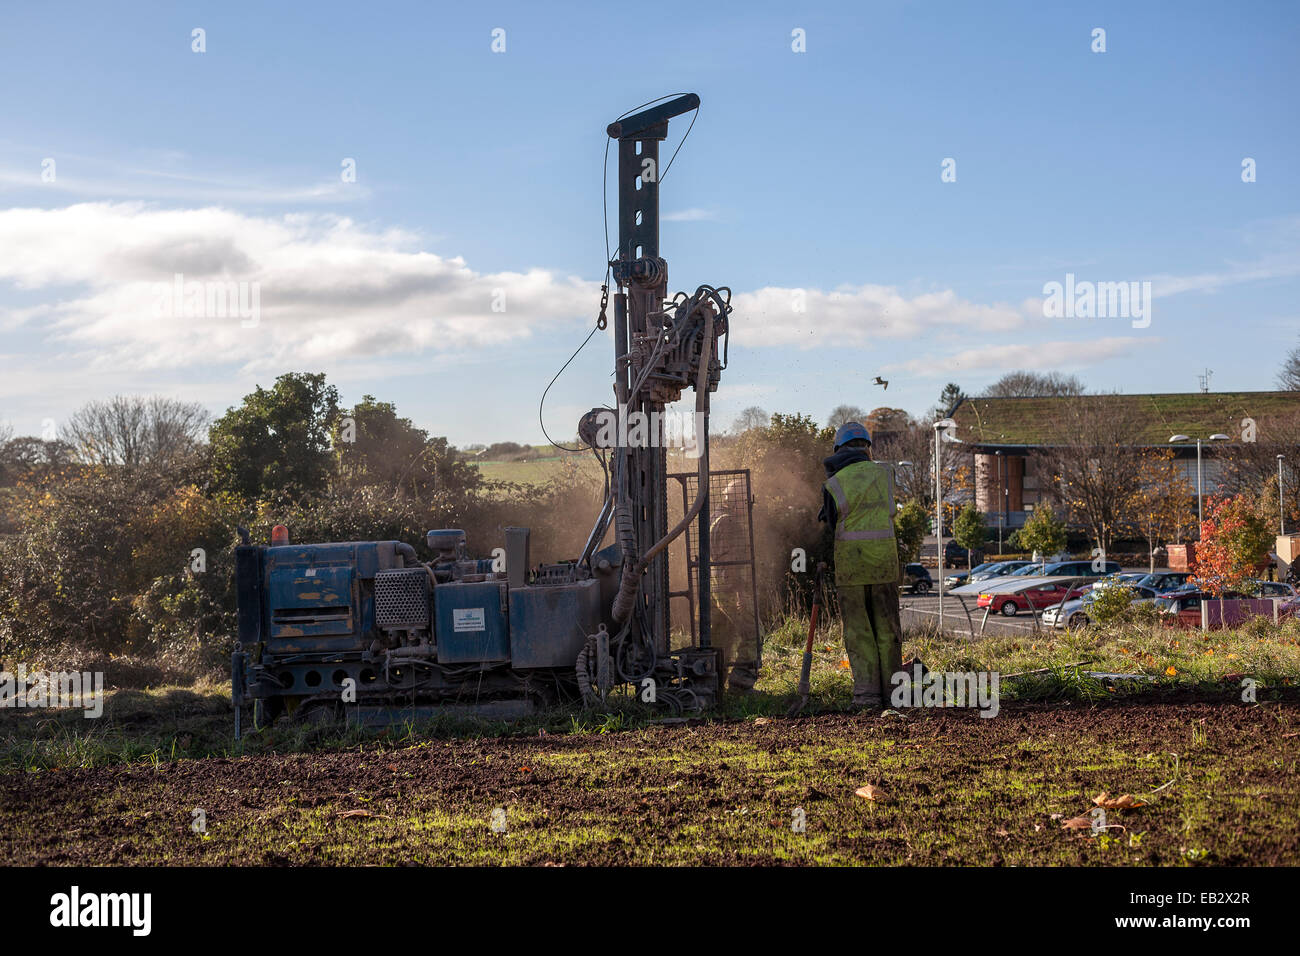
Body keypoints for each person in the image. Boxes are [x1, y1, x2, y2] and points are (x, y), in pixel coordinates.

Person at [817, 422, 903, 710]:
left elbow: (829, 525)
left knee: (858, 631)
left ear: (838, 449)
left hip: (851, 567)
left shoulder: (833, 484)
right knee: (888, 630)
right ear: (867, 447)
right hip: (884, 565)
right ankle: (895, 695)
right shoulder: (886, 473)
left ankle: (867, 697)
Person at [709, 478, 759, 692]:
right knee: (754, 633)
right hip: (730, 590)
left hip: (717, 588)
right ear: (735, 500)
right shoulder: (729, 523)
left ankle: (713, 684)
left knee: (721, 637)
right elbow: (729, 563)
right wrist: (739, 593)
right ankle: (741, 683)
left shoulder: (715, 517)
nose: (748, 505)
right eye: (745, 501)